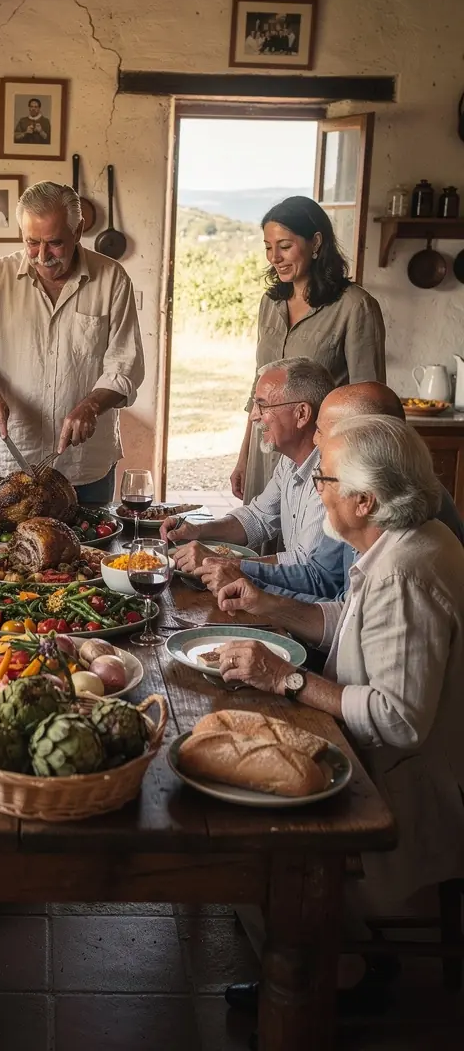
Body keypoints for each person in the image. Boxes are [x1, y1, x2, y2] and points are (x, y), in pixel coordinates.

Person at [213, 416, 464, 1013]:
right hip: (388, 762)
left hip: (403, 793)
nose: (316, 489)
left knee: (239, 830)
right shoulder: (407, 539)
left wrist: (286, 678)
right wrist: (269, 606)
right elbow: (353, 626)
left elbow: (399, 718)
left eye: (325, 478)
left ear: (365, 499)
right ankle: (335, 952)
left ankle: (327, 976)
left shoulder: (405, 571)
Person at [0, 180, 144, 504]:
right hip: (11, 460)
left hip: (85, 467)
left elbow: (124, 366)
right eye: (32, 242)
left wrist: (91, 406)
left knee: (89, 555)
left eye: (55, 243)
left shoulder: (112, 279)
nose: (42, 256)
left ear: (79, 228)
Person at [197, 381, 464, 598]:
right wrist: (238, 572)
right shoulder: (356, 487)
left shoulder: (384, 505)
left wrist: (256, 591)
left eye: (324, 431)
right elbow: (321, 576)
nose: (314, 439)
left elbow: (342, 614)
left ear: (367, 437)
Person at [232, 197, 386, 506]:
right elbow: (258, 389)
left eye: (285, 246)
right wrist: (243, 458)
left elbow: (369, 403)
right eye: (268, 246)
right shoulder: (271, 303)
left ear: (316, 242)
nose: (274, 257)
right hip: (265, 451)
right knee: (256, 540)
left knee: (306, 551)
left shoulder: (355, 307)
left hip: (318, 459)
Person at [164, 358, 333, 573]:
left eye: (262, 405)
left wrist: (221, 563)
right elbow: (257, 518)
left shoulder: (329, 475)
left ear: (301, 414)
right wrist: (196, 531)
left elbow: (306, 564)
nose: (254, 416)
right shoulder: (289, 462)